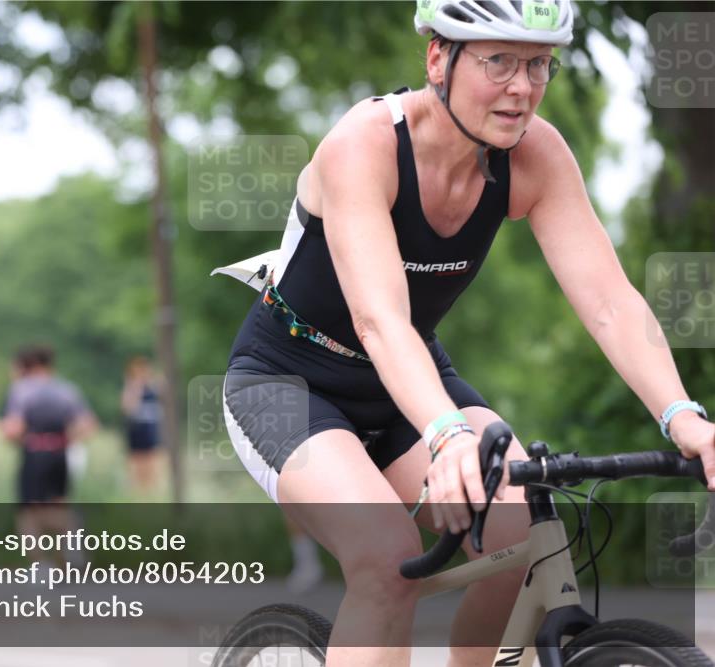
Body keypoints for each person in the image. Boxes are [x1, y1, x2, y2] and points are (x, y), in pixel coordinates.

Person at [219, 2, 715, 665]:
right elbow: (379, 320)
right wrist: (448, 432)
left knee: (522, 535)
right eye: (499, 61)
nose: (522, 87)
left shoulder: (535, 154)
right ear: (438, 59)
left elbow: (608, 301)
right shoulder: (364, 145)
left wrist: (683, 416)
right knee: (387, 560)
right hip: (289, 382)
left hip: (409, 381)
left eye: (538, 65)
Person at [0, 345, 98, 566]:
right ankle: (68, 551)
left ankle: (41, 564)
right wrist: (67, 439)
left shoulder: (21, 390)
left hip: (34, 454)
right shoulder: (66, 390)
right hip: (60, 454)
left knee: (29, 513)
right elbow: (88, 425)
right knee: (58, 504)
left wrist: (12, 434)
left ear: (27, 366)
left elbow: (13, 429)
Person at [120, 356, 166, 494]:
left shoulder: (154, 387)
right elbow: (127, 408)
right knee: (136, 464)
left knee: (153, 463)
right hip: (137, 430)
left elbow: (165, 393)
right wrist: (135, 387)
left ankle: (151, 493)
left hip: (152, 431)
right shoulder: (132, 388)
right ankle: (138, 493)